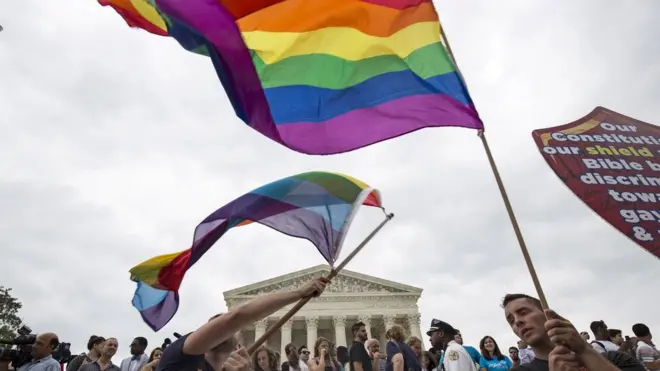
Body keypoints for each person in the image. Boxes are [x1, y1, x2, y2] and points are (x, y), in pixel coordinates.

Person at [157, 277, 328, 371]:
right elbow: (236, 317)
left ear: (239, 344)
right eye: (215, 323)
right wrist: (298, 293)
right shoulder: (183, 355)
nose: (220, 323)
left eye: (228, 328)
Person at [502, 293, 644, 371]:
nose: (517, 321)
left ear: (548, 314)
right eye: (511, 320)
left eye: (523, 312)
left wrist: (584, 350)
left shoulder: (615, 359)